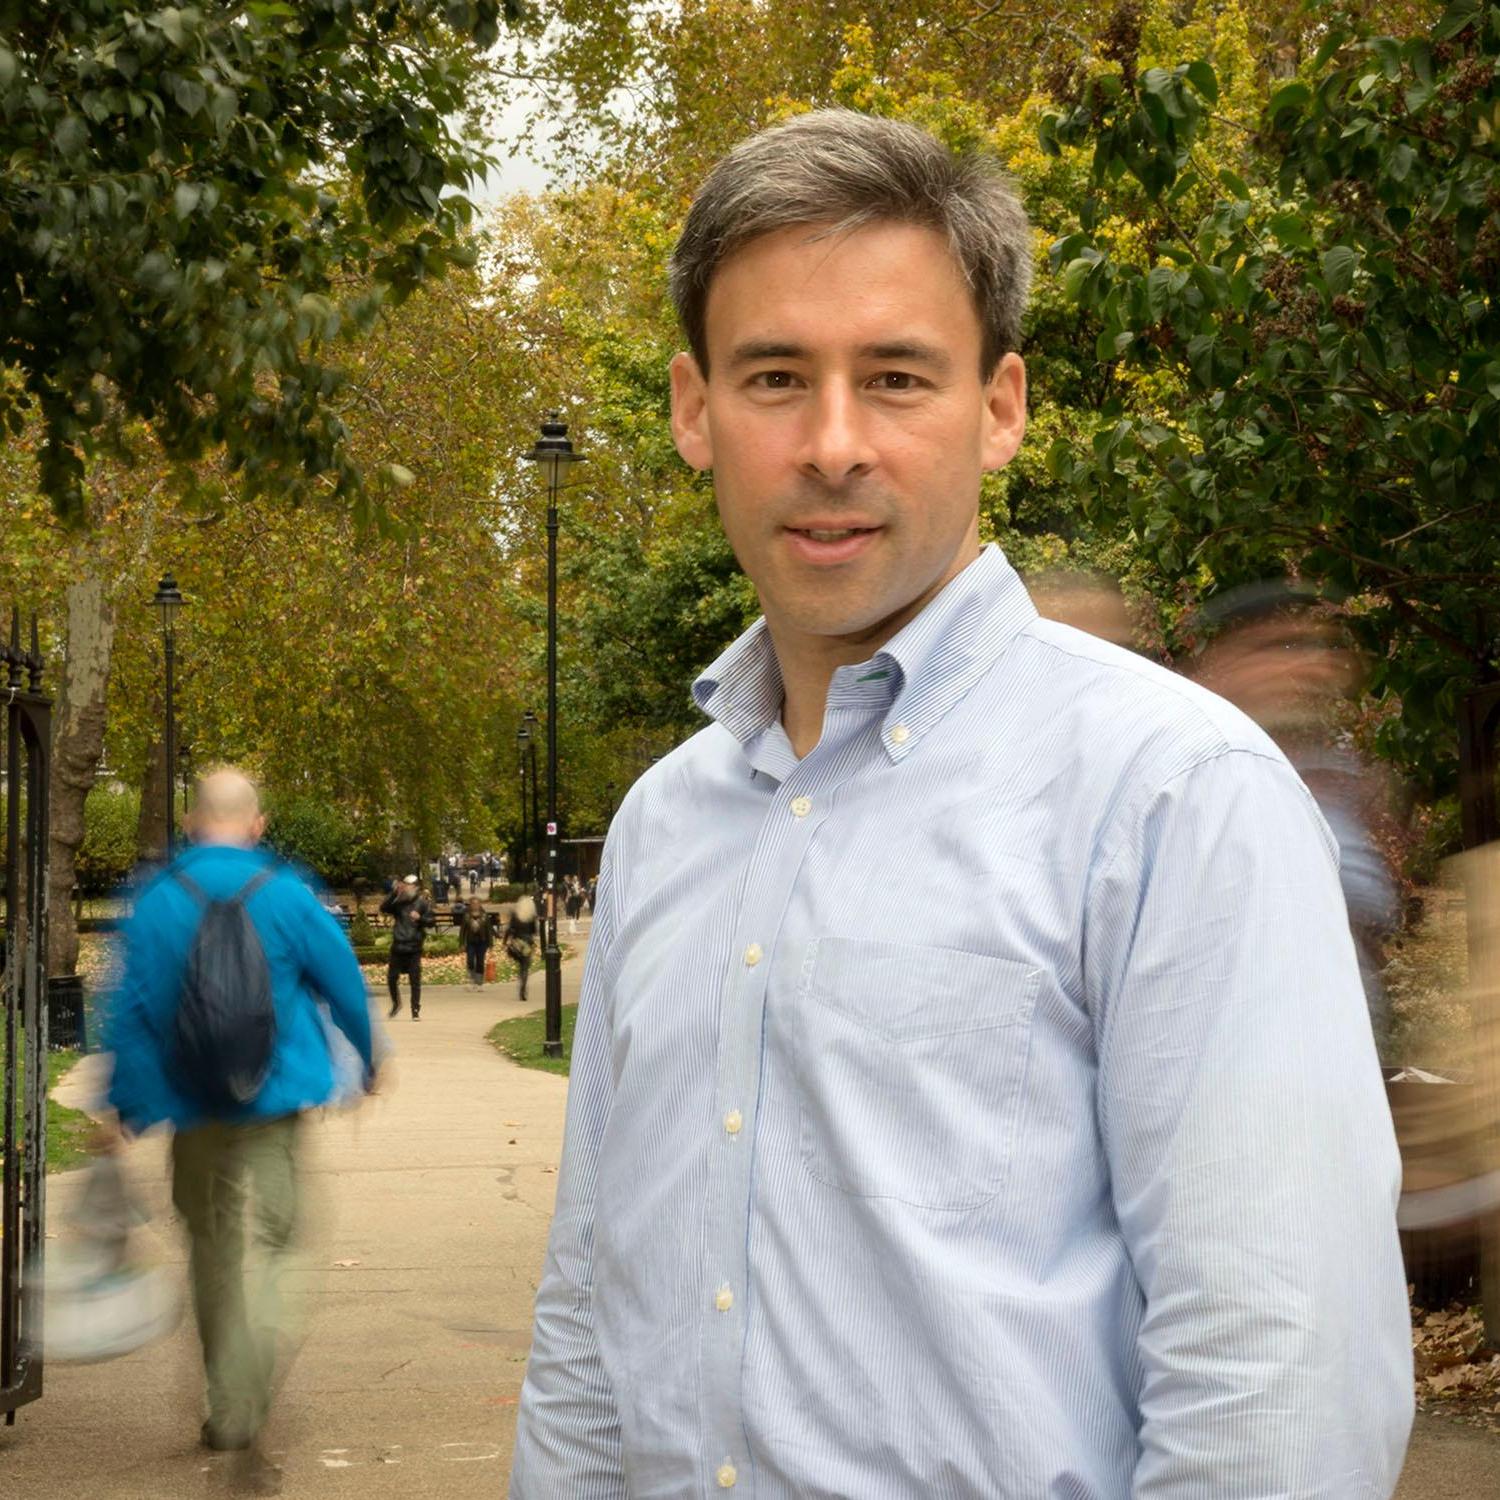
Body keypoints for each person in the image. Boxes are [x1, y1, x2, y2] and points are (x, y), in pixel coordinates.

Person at [510, 109, 1413, 1498]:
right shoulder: (662, 828)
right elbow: (590, 1316)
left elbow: (1278, 1378)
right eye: (773, 378)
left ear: (1000, 409)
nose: (832, 444)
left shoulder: (1173, 797)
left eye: (895, 378)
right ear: (695, 411)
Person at [102, 768, 377, 1490]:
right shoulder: (287, 892)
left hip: (191, 1111)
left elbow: (129, 1009)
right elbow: (343, 980)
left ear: (193, 822)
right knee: (282, 1245)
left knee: (211, 1251)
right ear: (256, 824)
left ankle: (228, 1409)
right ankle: (253, 1384)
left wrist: (124, 1105)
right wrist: (370, 1061)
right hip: (275, 1106)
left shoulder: (156, 900)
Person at [380, 874, 433, 1020]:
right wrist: (393, 893)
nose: (406, 887)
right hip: (398, 946)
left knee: (415, 981)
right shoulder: (399, 903)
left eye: (409, 885)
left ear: (415, 888)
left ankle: (415, 1010)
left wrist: (420, 918)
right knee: (391, 978)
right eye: (405, 885)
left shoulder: (422, 903)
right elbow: (383, 908)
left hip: (414, 947)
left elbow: (431, 921)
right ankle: (396, 1003)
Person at [503, 894, 539, 1005]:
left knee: (520, 964)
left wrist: (505, 941)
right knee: (525, 966)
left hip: (516, 943)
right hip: (527, 943)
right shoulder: (531, 917)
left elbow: (509, 929)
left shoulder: (515, 914)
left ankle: (520, 980)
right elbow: (534, 931)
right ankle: (523, 987)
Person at [461, 896, 496, 990]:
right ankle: (471, 980)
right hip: (470, 942)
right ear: (470, 905)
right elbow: (462, 931)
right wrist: (462, 943)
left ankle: (479, 983)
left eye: (477, 903)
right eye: (473, 904)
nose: (475, 905)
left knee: (480, 961)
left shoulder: (485, 916)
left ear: (480, 905)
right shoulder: (466, 916)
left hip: (482, 942)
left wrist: (491, 944)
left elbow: (489, 931)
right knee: (470, 960)